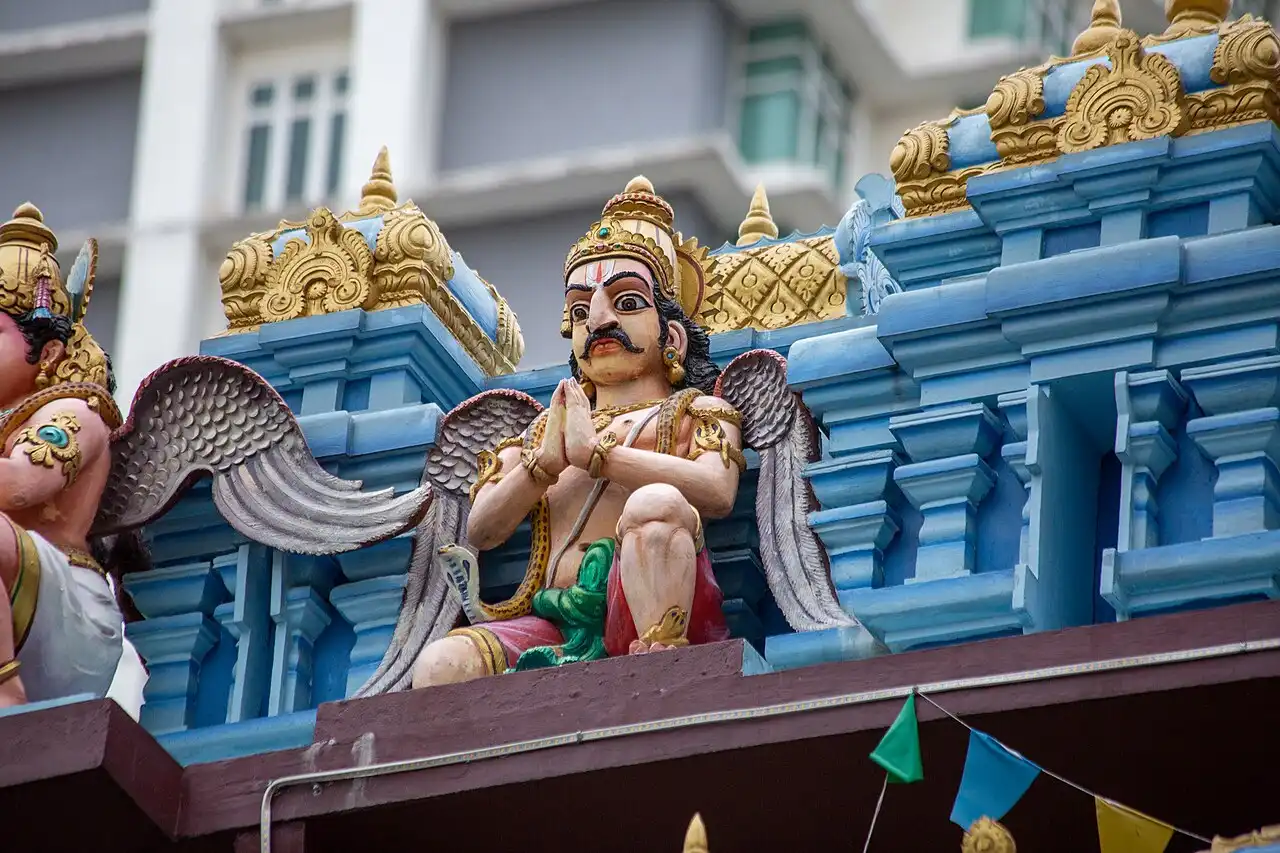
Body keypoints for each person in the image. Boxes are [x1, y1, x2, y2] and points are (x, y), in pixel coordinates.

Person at [412, 177, 745, 687]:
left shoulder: (696, 411)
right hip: (551, 620)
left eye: (628, 303)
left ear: (671, 333)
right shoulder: (549, 428)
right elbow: (480, 530)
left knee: (655, 504)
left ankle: (659, 664)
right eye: (580, 311)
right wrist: (544, 464)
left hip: (644, 609)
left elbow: (717, 491)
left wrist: (599, 458)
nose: (600, 320)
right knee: (441, 667)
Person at [0, 203, 124, 706]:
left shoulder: (74, 411)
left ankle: (6, 697)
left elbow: (24, 485)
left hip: (68, 620)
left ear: (47, 352)